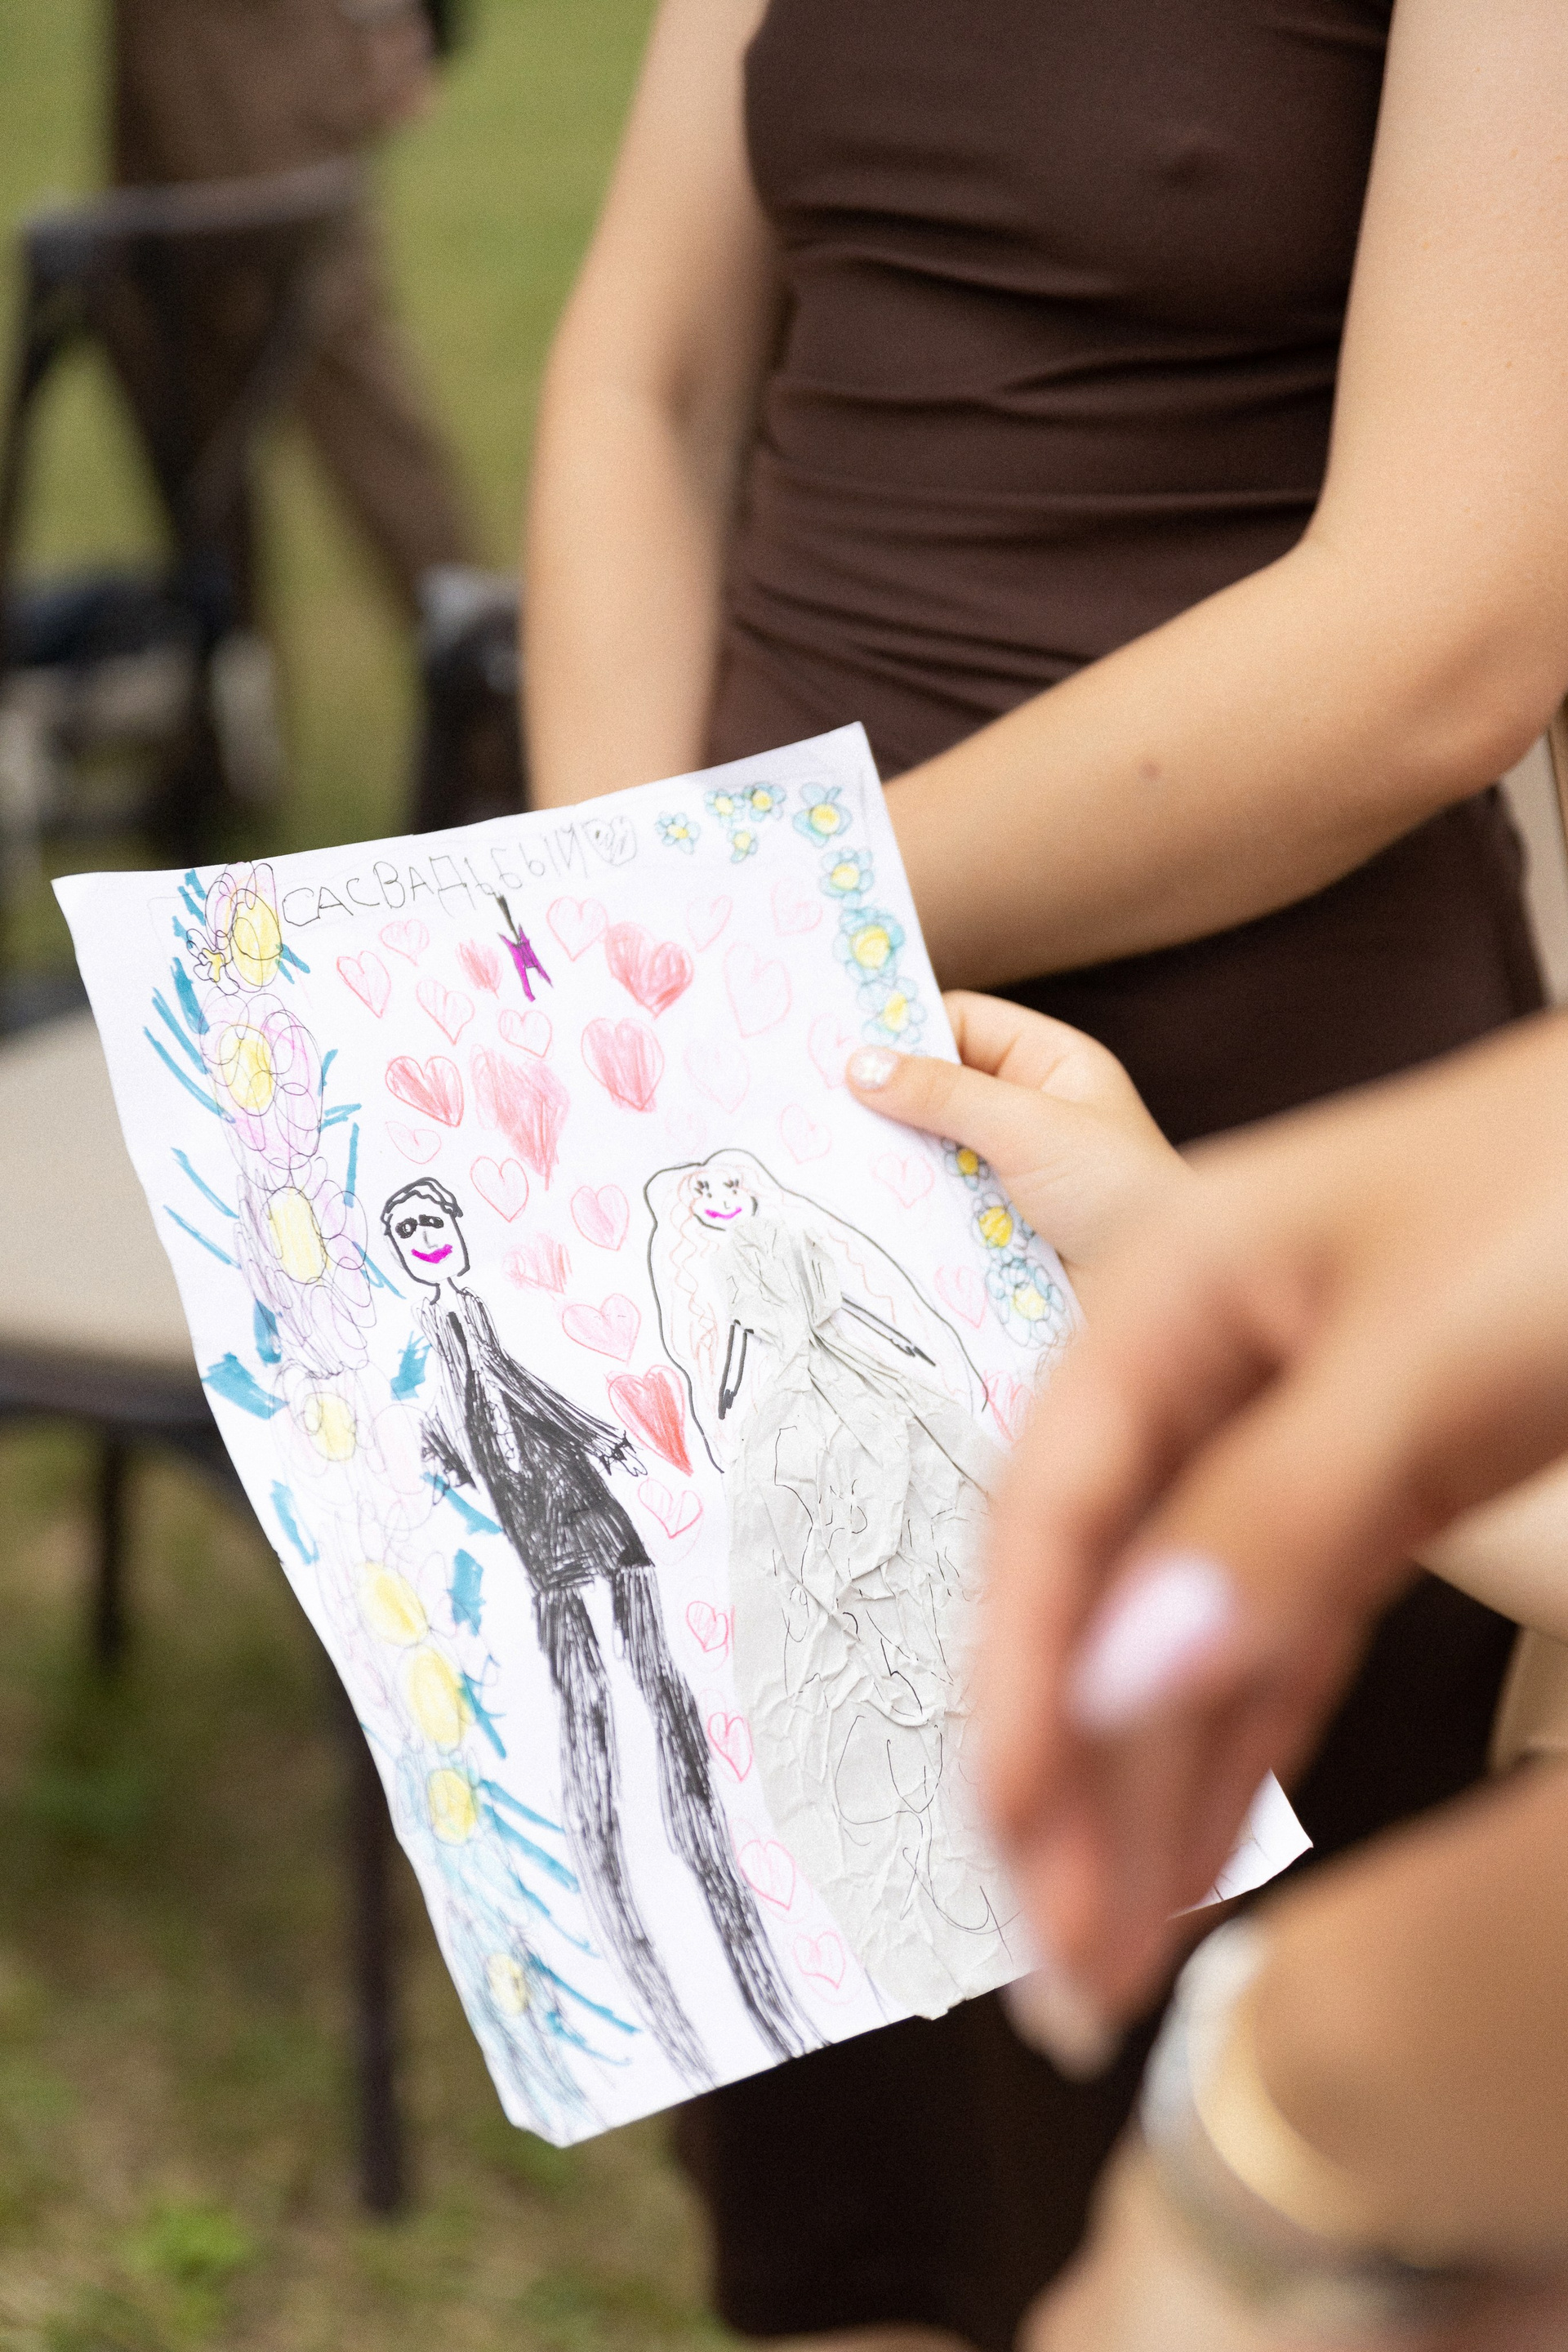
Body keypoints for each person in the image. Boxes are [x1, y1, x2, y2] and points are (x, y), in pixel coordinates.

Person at [523, 0, 1568, 2341]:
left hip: (1240, 1132)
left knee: (1234, 2205)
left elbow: (1451, 618)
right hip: (750, 1137)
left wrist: (736, 948)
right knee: (853, 2175)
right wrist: (620, 967)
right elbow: (642, 373)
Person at [379, 1174, 812, 2087]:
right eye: (407, 1228)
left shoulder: (469, 1313)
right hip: (541, 1526)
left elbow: (510, 1388)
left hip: (579, 1506)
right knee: (590, 1702)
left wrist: (584, 1441)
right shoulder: (433, 1330)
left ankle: (713, 1891)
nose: (424, 1236)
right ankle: (636, 1913)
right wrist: (458, 1456)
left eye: (431, 1219)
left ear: (454, 1223)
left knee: (654, 1682)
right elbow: (473, 1407)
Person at [110, 0, 478, 623]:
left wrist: (390, 12)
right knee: (169, 354)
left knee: (330, 334)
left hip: (268, 31)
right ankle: (226, 669)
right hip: (150, 29)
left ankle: (482, 655)